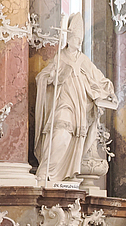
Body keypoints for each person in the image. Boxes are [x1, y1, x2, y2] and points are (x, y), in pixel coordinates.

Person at [34, 12, 117, 183]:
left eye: (80, 40)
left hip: (80, 106)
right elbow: (43, 76)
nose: (78, 43)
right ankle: (47, 172)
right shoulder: (59, 57)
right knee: (60, 134)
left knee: (71, 137)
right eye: (75, 39)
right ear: (68, 39)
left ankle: (65, 174)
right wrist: (50, 78)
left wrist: (108, 91)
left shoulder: (83, 59)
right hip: (64, 102)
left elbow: (100, 79)